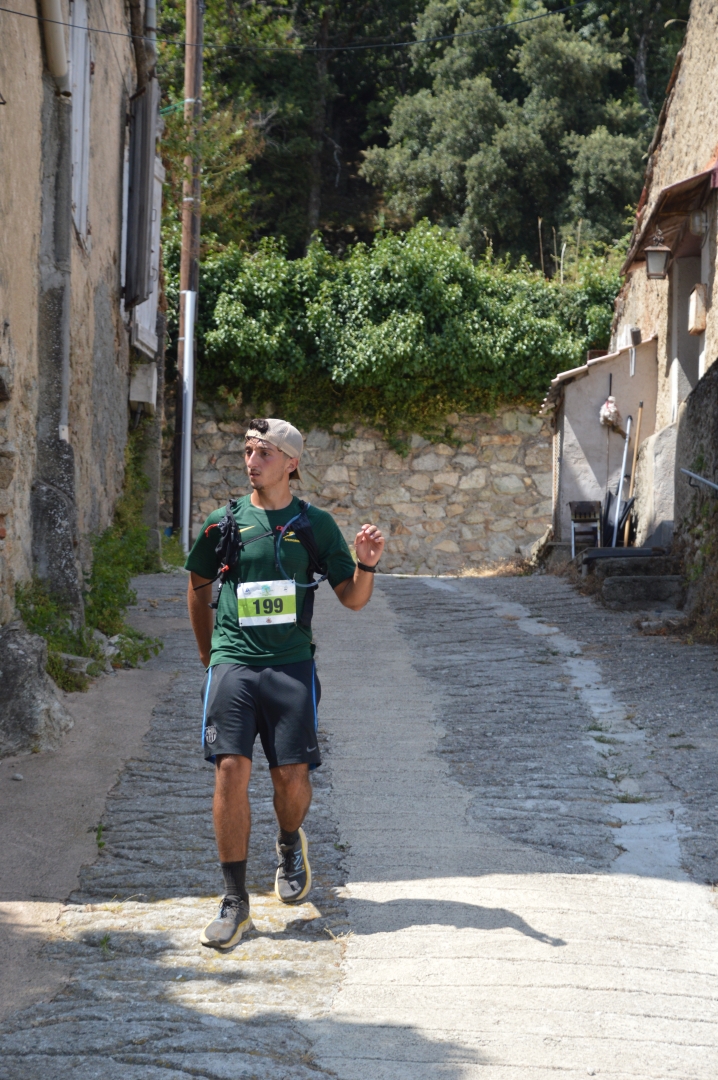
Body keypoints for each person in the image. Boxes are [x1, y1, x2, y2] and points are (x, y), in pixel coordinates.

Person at [185, 417, 385, 949]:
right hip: (233, 662)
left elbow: (352, 598)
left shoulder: (315, 525)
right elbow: (198, 583)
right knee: (230, 768)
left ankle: (290, 842)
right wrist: (209, 654)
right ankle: (235, 901)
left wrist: (366, 566)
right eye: (248, 451)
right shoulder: (223, 522)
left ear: (291, 464)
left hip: (291, 665)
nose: (252, 461)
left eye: (265, 453)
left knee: (291, 780)